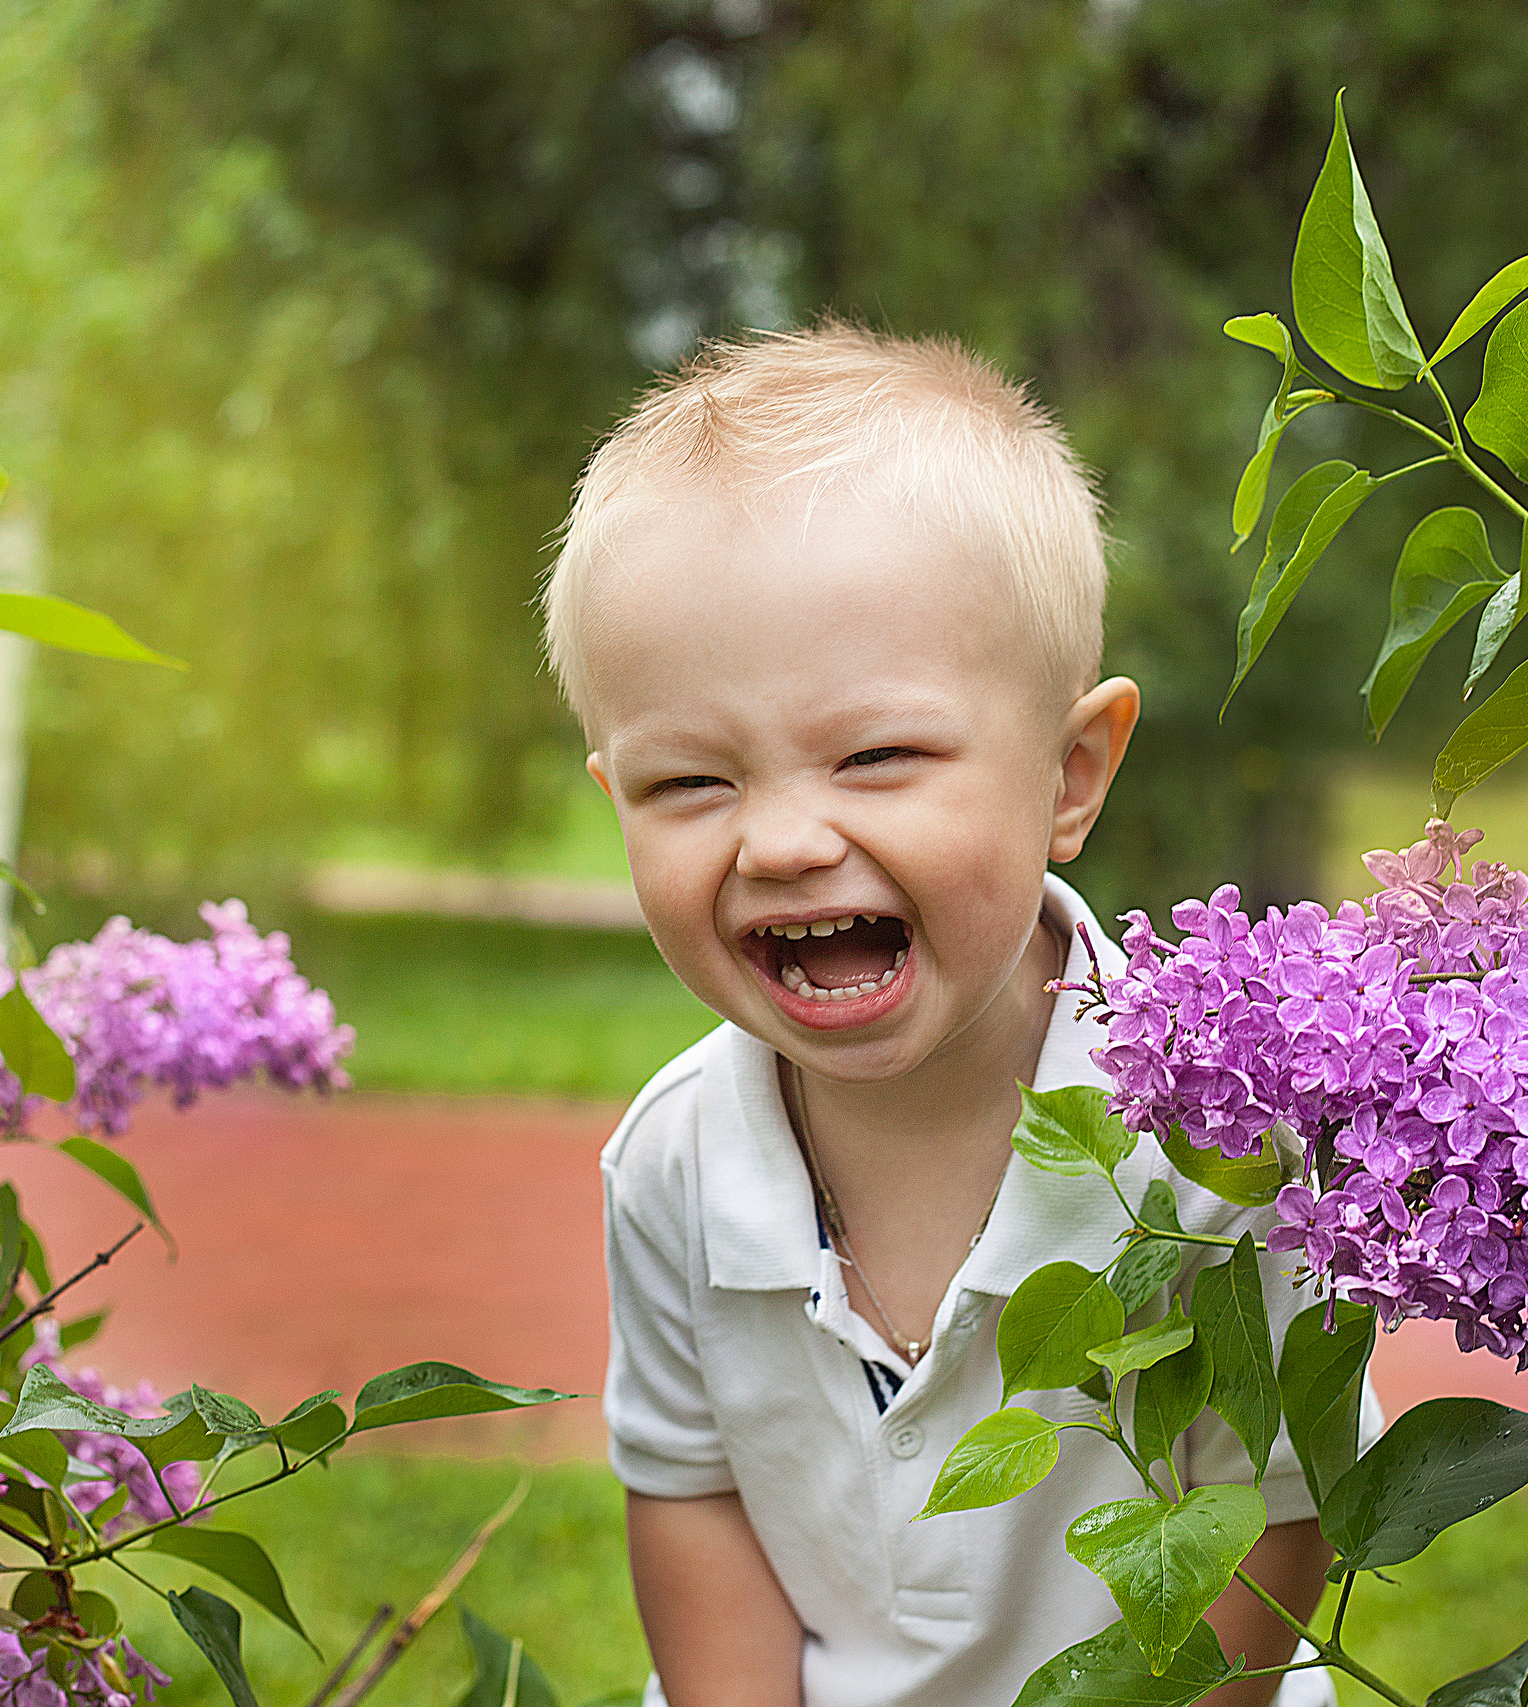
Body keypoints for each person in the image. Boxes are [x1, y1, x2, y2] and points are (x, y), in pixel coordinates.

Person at [542, 323, 1345, 1707]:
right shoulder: (673, 1161)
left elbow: (1268, 1514)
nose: (785, 841)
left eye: (878, 757)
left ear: (1071, 775)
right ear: (616, 803)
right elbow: (696, 1497)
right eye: (691, 785)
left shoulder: (1218, 1140)